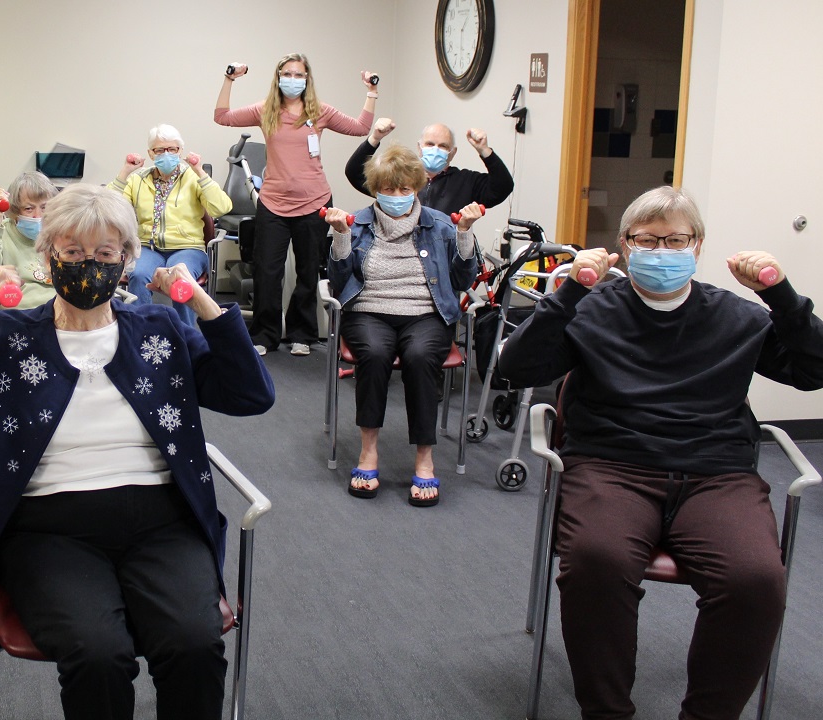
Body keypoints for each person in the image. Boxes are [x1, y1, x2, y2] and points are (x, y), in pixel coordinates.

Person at [0, 184, 275, 720]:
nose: (88, 266)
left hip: (162, 521)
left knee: (193, 644)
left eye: (105, 254)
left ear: (127, 261)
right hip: (48, 528)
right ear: (47, 255)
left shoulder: (159, 327)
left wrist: (199, 300)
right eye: (72, 253)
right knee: (98, 654)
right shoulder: (10, 335)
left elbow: (250, 395)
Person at [497, 186, 823, 720]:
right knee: (596, 563)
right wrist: (572, 291)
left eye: (676, 240)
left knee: (755, 579)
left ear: (697, 246)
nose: (662, 250)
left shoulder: (736, 316)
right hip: (612, 467)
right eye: (648, 239)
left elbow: (815, 371)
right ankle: (606, 712)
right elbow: (517, 367)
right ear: (624, 245)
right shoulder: (592, 307)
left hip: (716, 475)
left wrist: (781, 296)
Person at [323, 145, 480, 507]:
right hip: (369, 311)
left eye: (404, 189)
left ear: (417, 188)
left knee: (421, 356)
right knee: (375, 355)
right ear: (376, 189)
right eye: (389, 189)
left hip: (426, 314)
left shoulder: (441, 224)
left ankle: (424, 458)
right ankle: (368, 453)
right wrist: (340, 236)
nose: (397, 197)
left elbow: (462, 278)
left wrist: (465, 232)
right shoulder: (357, 222)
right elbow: (337, 280)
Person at [215, 53, 377, 356]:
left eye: (299, 75)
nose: (293, 79)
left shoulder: (320, 112)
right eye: (287, 74)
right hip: (273, 203)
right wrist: (229, 79)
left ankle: (303, 335)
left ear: (307, 79)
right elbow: (222, 116)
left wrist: (371, 93)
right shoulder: (266, 111)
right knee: (266, 271)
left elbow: (359, 128)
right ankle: (264, 335)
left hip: (314, 202)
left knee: (307, 270)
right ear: (278, 78)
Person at [109, 124, 232, 325]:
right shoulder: (138, 180)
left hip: (188, 247)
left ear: (180, 151)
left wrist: (200, 172)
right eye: (160, 150)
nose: (166, 154)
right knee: (138, 275)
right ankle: (142, 334)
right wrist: (125, 172)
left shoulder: (193, 177)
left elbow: (222, 208)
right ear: (150, 153)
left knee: (180, 278)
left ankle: (187, 336)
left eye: (172, 149)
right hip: (148, 247)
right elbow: (109, 209)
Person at [344, 119, 514, 215]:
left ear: (452, 152)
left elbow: (503, 187)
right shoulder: (399, 175)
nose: (435, 150)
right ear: (420, 147)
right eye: (430, 144)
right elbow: (354, 173)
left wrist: (484, 150)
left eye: (442, 146)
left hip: (446, 256)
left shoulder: (466, 181)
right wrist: (374, 138)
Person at [0, 171, 58, 308]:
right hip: (21, 314)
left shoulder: (60, 234)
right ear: (15, 211)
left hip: (61, 312)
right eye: (29, 209)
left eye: (44, 208)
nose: (38, 216)